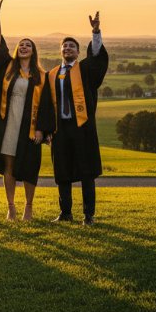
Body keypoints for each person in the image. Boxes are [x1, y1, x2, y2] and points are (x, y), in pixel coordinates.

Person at [0, 0, 55, 221]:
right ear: (17, 50)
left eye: (28, 45)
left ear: (33, 51)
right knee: (9, 164)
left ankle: (28, 207)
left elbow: (46, 106)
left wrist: (42, 130)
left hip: (30, 127)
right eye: (21, 45)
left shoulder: (41, 76)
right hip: (9, 123)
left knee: (29, 167)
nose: (24, 47)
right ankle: (11, 207)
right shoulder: (8, 68)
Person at [49, 12, 108, 225]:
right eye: (64, 47)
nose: (67, 49)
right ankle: (65, 213)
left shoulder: (85, 69)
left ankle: (88, 215)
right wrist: (47, 130)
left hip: (82, 127)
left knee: (86, 172)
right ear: (61, 51)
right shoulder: (53, 74)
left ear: (78, 51)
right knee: (62, 171)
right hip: (60, 129)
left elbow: (98, 57)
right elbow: (48, 104)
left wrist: (95, 32)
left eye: (71, 47)